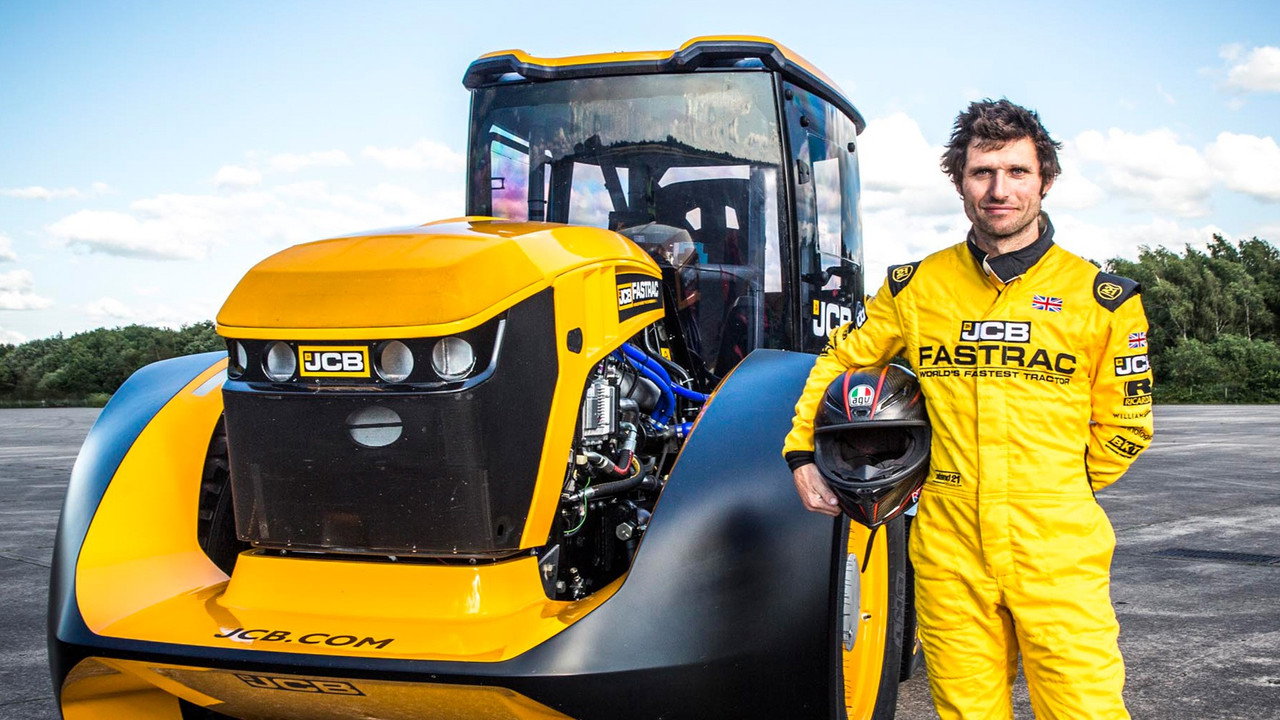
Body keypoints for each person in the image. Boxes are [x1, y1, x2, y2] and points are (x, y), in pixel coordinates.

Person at [782, 99, 1154, 719]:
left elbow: (1127, 424)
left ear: (1046, 181)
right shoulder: (916, 287)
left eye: (1017, 172)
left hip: (1058, 541)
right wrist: (802, 452)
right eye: (982, 173)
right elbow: (839, 364)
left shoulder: (1102, 299)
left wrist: (1052, 486)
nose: (998, 189)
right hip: (948, 545)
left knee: (1085, 708)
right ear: (960, 182)